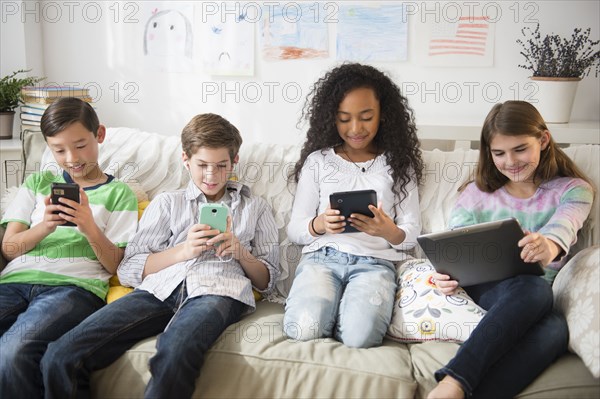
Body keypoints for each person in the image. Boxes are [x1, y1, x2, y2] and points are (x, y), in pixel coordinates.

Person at [42, 113, 280, 399]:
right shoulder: (168, 203)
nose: (212, 176)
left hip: (218, 290)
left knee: (174, 350)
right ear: (185, 159)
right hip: (158, 290)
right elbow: (129, 267)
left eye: (221, 166)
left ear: (234, 161)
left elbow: (268, 280)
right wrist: (183, 251)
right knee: (60, 354)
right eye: (202, 165)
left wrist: (241, 252)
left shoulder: (256, 208)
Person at [428, 101, 594, 399]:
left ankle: (459, 392)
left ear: (543, 140)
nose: (510, 161)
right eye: (499, 153)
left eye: (520, 149)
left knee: (555, 328)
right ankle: (452, 382)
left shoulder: (574, 190)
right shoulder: (475, 193)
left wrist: (547, 246)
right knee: (535, 289)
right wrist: (445, 275)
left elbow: (564, 229)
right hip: (486, 287)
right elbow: (453, 247)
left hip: (537, 293)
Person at [0, 97, 138, 398]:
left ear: (99, 135)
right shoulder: (38, 183)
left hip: (73, 288)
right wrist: (45, 226)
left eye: (80, 145)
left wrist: (89, 226)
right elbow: (10, 248)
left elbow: (117, 265)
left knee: (13, 352)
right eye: (58, 149)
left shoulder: (119, 194)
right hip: (14, 283)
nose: (72, 158)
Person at [283, 63, 423, 348]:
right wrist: (318, 225)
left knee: (361, 337)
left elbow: (412, 233)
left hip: (375, 265)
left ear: (383, 115)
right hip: (322, 259)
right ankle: (329, 313)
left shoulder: (398, 163)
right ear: (331, 118)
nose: (355, 129)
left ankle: (341, 315)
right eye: (344, 118)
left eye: (366, 117)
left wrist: (388, 231)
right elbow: (296, 229)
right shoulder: (319, 161)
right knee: (304, 329)